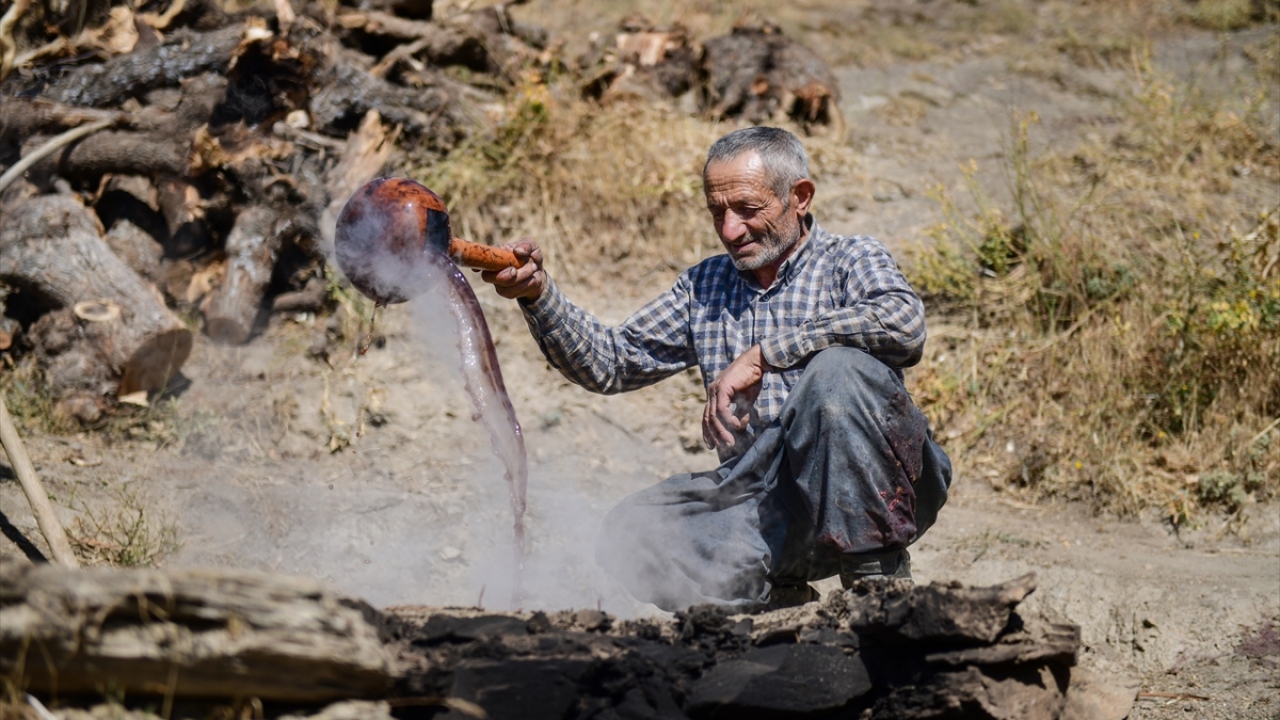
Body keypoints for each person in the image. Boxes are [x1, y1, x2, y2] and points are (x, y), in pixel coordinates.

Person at [480, 126, 951, 611]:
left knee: (836, 373)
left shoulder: (850, 259)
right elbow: (611, 362)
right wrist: (538, 294)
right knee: (633, 533)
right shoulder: (704, 287)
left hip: (884, 488)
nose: (730, 231)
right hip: (771, 505)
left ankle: (879, 591)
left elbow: (903, 321)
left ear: (800, 197)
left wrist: (767, 354)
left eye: (747, 209)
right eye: (717, 212)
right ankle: (778, 612)